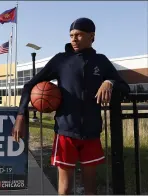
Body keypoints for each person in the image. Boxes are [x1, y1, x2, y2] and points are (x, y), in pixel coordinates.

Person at [12, 17, 130, 195]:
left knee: (91, 189)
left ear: (92, 37)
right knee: (65, 189)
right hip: (66, 131)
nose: (74, 39)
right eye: (71, 35)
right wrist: (21, 116)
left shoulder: (101, 61)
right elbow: (29, 85)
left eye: (79, 35)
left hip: (91, 131)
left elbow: (125, 87)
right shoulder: (61, 60)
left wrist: (110, 82)